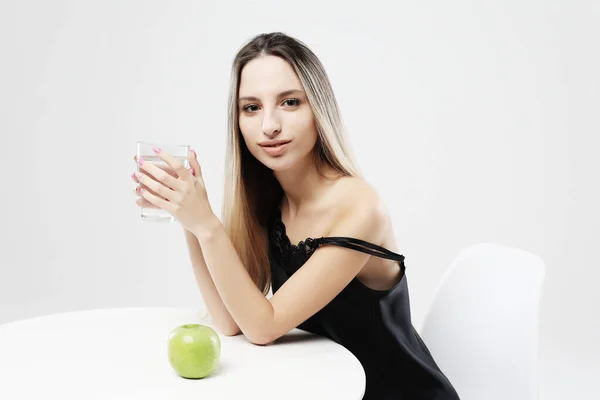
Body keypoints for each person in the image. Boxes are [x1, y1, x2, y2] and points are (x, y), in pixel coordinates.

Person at [132, 32, 460, 399]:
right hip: (329, 389)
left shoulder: (359, 207)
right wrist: (189, 218)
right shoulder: (271, 201)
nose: (269, 125)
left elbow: (263, 327)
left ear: (318, 110)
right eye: (251, 108)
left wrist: (208, 225)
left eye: (289, 102)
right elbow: (230, 320)